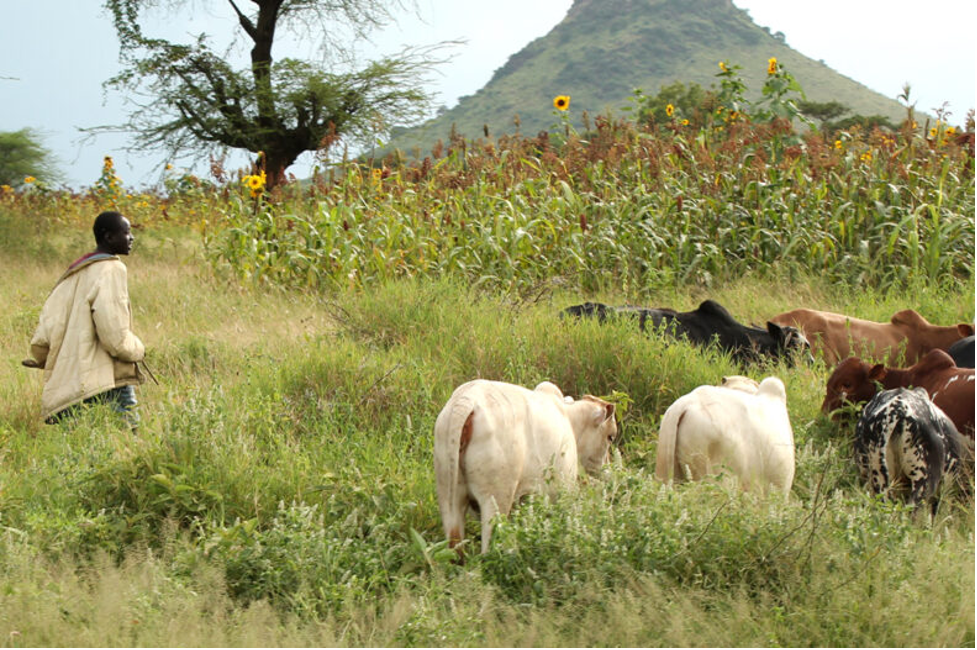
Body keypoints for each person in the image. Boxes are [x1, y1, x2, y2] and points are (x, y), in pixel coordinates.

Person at [23, 211, 146, 426]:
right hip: (107, 378)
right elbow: (115, 337)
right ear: (108, 237)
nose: (131, 238)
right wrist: (137, 349)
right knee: (128, 438)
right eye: (126, 233)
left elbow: (44, 331)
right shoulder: (113, 269)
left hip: (71, 382)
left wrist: (44, 357)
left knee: (76, 446)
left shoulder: (74, 273)